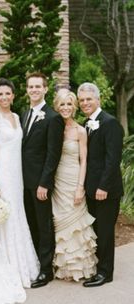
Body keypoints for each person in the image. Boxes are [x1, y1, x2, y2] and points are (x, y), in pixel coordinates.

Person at [0, 78, 39, 304]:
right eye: (0, 94)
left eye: (8, 94)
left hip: (17, 176)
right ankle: (8, 263)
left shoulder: (18, 117)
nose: (4, 98)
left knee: (18, 215)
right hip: (3, 175)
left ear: (14, 96)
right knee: (6, 218)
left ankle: (22, 262)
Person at [77, 82, 124, 287]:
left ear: (98, 100)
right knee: (96, 230)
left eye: (89, 99)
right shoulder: (85, 123)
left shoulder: (110, 123)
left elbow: (112, 160)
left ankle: (106, 273)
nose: (85, 103)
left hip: (106, 190)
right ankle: (98, 268)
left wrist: (103, 187)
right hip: (90, 190)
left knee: (104, 232)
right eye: (82, 100)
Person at [21, 72, 64, 288]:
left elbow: (52, 154)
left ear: (46, 89)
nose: (34, 90)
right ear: (27, 89)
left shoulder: (53, 117)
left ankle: (46, 271)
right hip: (23, 183)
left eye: (38, 86)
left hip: (39, 184)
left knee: (44, 226)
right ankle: (35, 263)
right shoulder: (24, 114)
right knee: (30, 224)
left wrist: (44, 183)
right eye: (31, 86)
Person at [52, 88, 97, 282]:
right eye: (62, 104)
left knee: (76, 223)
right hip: (56, 182)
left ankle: (79, 267)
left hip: (73, 179)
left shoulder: (80, 131)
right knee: (60, 223)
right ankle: (62, 267)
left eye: (69, 104)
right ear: (57, 107)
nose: (66, 108)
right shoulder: (53, 128)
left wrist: (80, 187)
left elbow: (84, 160)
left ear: (74, 106)